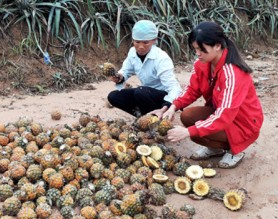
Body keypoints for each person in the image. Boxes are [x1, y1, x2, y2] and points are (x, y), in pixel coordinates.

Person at [152, 21, 264, 168]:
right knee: (187, 116)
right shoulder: (202, 63)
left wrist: (187, 132)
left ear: (217, 46)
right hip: (221, 113)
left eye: (201, 49)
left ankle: (235, 151)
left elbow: (224, 117)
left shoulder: (233, 73)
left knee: (194, 129)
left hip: (243, 123)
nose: (198, 54)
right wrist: (174, 105)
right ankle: (215, 148)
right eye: (195, 49)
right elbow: (192, 89)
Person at [107, 20, 182, 117]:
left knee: (140, 92)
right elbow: (126, 70)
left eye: (146, 42)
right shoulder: (132, 52)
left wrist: (165, 107)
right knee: (113, 96)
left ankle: (156, 117)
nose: (141, 47)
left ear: (154, 40)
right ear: (133, 40)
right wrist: (119, 77)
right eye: (137, 42)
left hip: (162, 96)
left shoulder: (161, 58)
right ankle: (141, 115)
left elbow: (174, 87)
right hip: (144, 93)